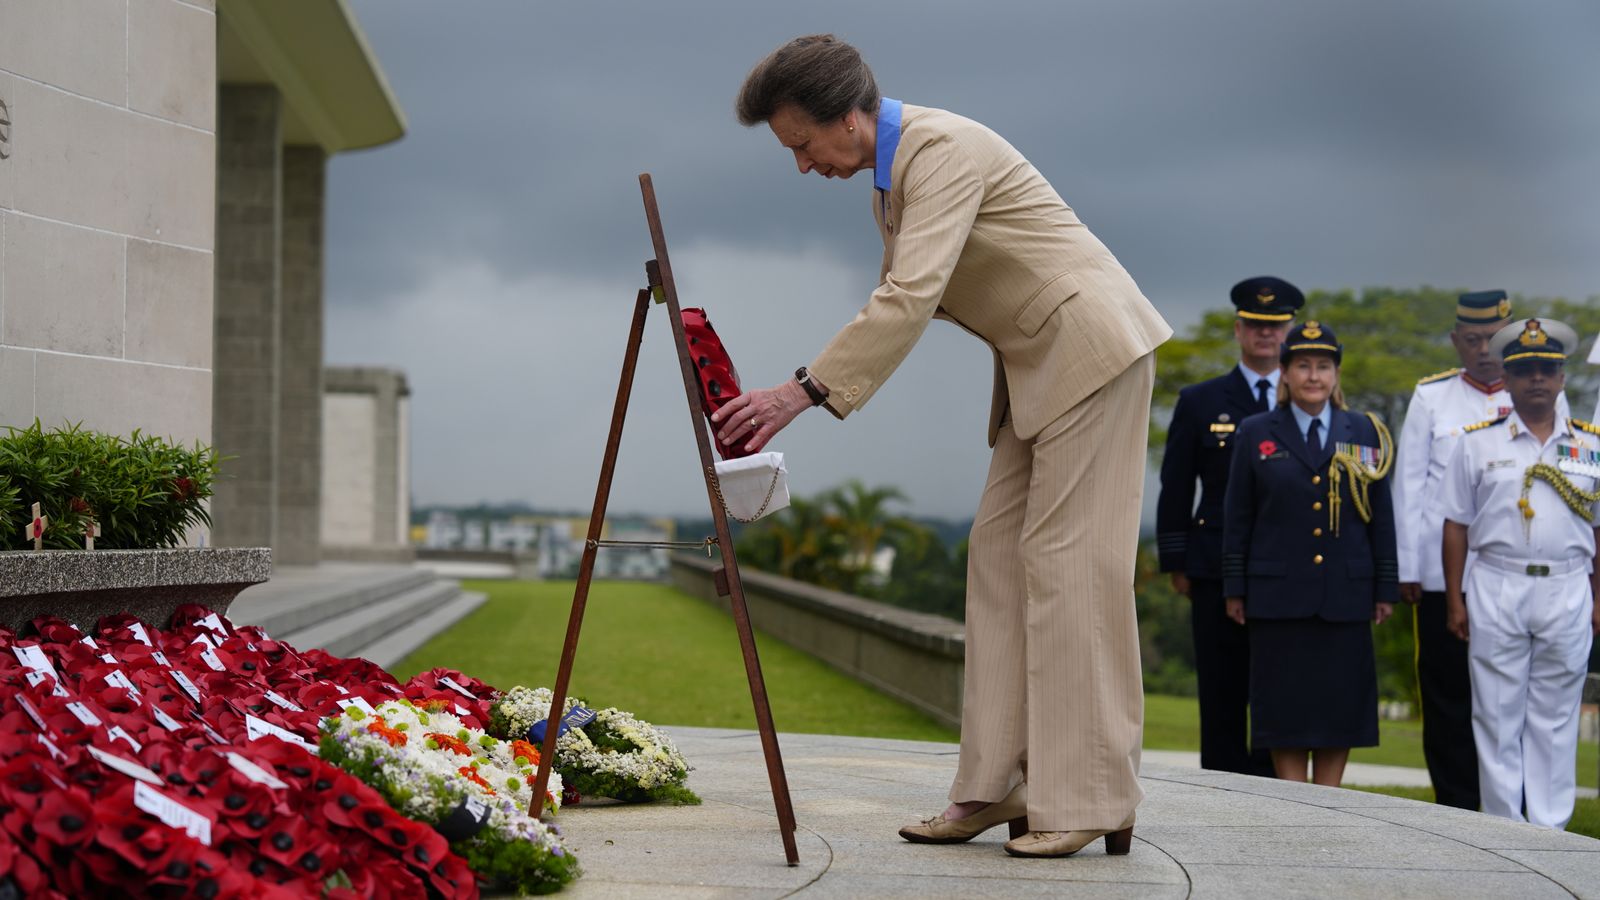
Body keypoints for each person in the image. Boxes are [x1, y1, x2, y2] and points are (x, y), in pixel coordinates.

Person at [719, 35, 1172, 858]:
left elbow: (909, 296)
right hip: (1038, 372)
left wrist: (800, 392)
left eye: (802, 144)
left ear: (849, 119)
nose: (802, 165)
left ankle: (1093, 796)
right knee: (998, 560)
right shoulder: (890, 185)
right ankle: (994, 788)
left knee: (1071, 567)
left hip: (1092, 355)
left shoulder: (943, 150)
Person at [1392, 290, 1572, 810]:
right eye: (1472, 341)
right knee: (1447, 692)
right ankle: (1455, 801)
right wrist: (1407, 566)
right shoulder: (1433, 397)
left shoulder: (1545, 397)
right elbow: (1410, 487)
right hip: (1439, 574)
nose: (1484, 351)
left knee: (1515, 697)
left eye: (1492, 341)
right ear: (1456, 341)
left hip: (1520, 574)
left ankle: (1517, 803)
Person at [1437, 317, 1600, 829]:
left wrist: (1599, 599)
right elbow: (1455, 526)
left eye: (1547, 370)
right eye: (1525, 370)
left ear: (1562, 379)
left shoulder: (1592, 446)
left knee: (1555, 716)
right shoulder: (1476, 443)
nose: (1537, 379)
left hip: (1569, 584)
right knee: (1496, 713)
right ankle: (1504, 829)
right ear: (1506, 380)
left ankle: (1550, 830)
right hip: (1497, 582)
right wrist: (1455, 600)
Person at [1222, 321, 1397, 786]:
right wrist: (1234, 587)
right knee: (1284, 706)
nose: (1314, 376)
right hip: (1278, 597)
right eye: (1303, 365)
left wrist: (1386, 585)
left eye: (1323, 366)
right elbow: (1238, 516)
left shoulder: (1363, 431)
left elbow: (1381, 515)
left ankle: (1330, 800)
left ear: (1336, 374)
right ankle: (1293, 800)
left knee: (1341, 705)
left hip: (1347, 594)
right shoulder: (1256, 431)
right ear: (1284, 372)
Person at [1156, 276, 1303, 777]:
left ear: (1290, 331)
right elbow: (1176, 486)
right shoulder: (1201, 400)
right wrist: (1176, 561)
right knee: (1220, 688)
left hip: (1285, 569)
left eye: (1276, 326)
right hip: (1215, 564)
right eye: (1256, 326)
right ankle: (1219, 789)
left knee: (1276, 685)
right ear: (1239, 330)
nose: (1267, 335)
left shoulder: (1305, 402)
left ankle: (1268, 791)